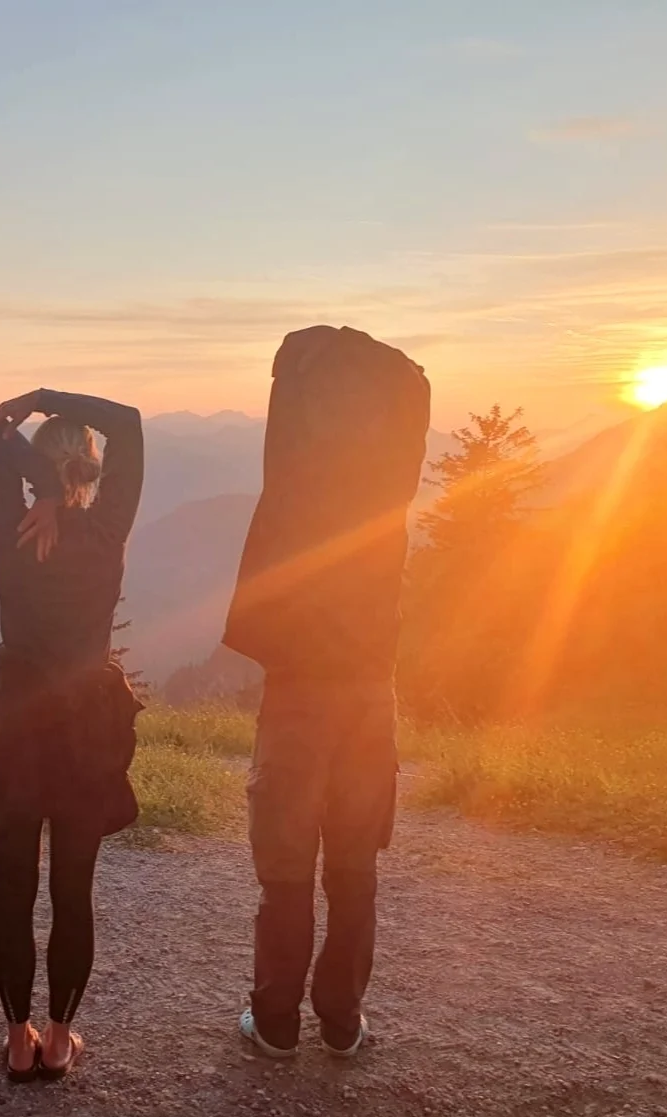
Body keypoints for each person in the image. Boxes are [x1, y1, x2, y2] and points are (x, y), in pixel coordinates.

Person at [222, 326, 429, 1059]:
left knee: (284, 867)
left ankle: (276, 1020)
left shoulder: (294, 486)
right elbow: (414, 384)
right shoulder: (392, 491)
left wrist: (333, 348)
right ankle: (341, 1021)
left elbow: (291, 356)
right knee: (353, 866)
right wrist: (372, 356)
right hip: (371, 697)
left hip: (300, 692)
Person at [0, 388, 145, 1082]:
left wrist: (34, 466)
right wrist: (47, 396)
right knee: (73, 891)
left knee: (13, 888)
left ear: (41, 471)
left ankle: (16, 1041)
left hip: (16, 724)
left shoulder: (11, 527)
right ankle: (57, 1039)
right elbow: (129, 422)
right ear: (95, 469)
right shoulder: (106, 530)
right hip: (85, 730)